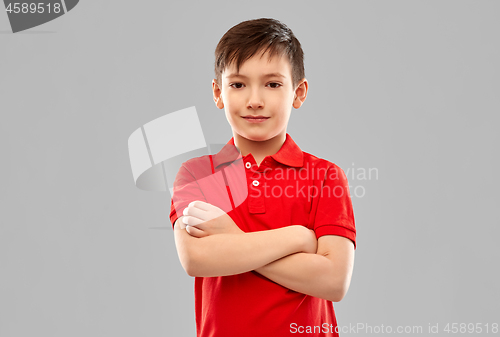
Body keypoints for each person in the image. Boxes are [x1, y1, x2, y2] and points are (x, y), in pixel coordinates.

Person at [169, 18, 356, 337]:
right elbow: (196, 258)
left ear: (298, 92)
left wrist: (231, 237)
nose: (254, 100)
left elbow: (333, 280)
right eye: (238, 84)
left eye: (272, 84)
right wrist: (297, 236)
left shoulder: (324, 176)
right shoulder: (197, 175)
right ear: (218, 93)